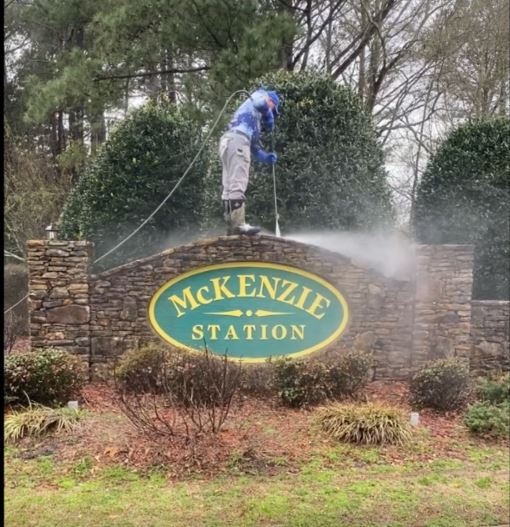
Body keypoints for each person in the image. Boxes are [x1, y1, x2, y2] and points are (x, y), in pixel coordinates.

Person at [219, 88, 279, 235]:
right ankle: (238, 225)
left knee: (229, 185)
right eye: (273, 108)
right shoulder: (259, 97)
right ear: (271, 101)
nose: (273, 112)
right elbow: (261, 103)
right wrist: (268, 116)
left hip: (229, 142)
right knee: (238, 182)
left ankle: (230, 225)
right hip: (237, 141)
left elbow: (253, 148)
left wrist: (265, 157)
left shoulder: (250, 117)